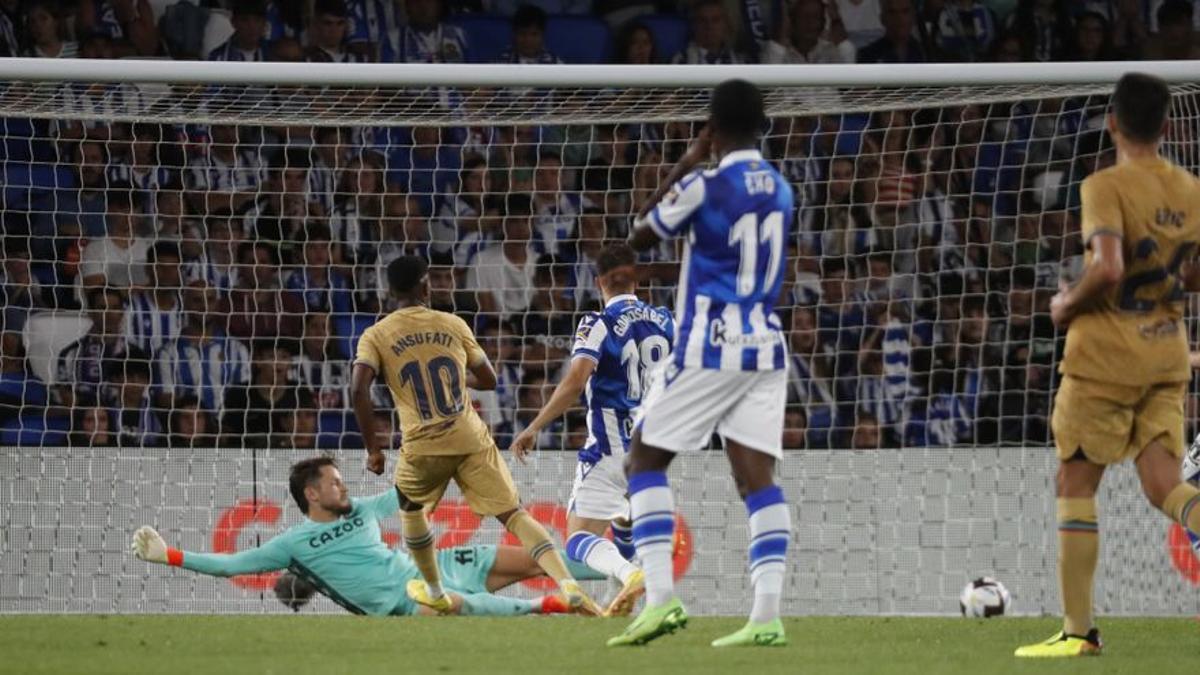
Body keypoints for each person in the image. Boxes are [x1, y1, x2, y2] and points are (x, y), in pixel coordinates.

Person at [1014, 73, 1200, 658]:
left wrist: (1066, 302)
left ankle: (1079, 631)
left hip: (1106, 359)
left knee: (1075, 481)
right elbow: (1196, 276)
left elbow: (1111, 266)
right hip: (1166, 350)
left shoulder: (1103, 184)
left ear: (1113, 123)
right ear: (1167, 127)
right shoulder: (1192, 189)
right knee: (1165, 485)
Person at [610, 79, 794, 648]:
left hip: (711, 344)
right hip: (766, 345)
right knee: (756, 479)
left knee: (642, 460)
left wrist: (686, 161)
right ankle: (766, 616)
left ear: (712, 128)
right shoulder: (782, 188)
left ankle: (661, 599)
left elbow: (636, 239)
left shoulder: (704, 185)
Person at [350, 256, 601, 615]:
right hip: (468, 436)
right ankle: (567, 584)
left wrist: (373, 449)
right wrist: (457, 377)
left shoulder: (375, 334)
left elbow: (358, 390)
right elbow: (489, 380)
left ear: (390, 292)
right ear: (426, 285)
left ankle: (436, 590)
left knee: (410, 509)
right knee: (514, 515)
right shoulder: (453, 324)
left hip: (422, 443)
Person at [131, 456, 592, 617]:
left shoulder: (364, 509)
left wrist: (446, 456)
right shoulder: (292, 544)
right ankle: (546, 607)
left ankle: (621, 568)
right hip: (408, 602)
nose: (343, 486)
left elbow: (413, 492)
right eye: (333, 482)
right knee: (448, 605)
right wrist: (166, 554)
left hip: (439, 566)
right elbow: (227, 565)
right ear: (311, 494)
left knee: (535, 556)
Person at [510, 244, 674, 617]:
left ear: (599, 281)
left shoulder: (596, 323)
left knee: (578, 540)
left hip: (610, 449)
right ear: (635, 279)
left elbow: (575, 380)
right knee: (624, 522)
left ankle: (629, 574)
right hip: (655, 450)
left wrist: (534, 426)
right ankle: (620, 606)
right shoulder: (666, 320)